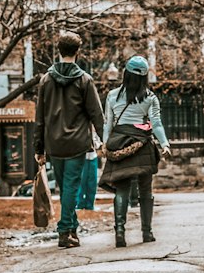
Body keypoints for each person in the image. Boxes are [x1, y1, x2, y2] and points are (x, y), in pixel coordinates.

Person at [34, 31, 104, 249]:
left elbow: (40, 117)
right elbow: (96, 114)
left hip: (54, 143)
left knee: (66, 188)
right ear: (78, 51)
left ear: (59, 50)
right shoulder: (85, 80)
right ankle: (65, 231)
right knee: (71, 188)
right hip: (77, 143)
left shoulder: (46, 80)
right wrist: (106, 140)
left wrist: (39, 148)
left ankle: (72, 227)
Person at [101, 56, 170, 248]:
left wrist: (105, 146)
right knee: (145, 190)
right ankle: (147, 233)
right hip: (142, 144)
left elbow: (108, 123)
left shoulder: (112, 95)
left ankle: (120, 232)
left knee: (122, 189)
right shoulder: (150, 98)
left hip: (120, 143)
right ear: (144, 77)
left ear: (126, 74)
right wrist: (165, 144)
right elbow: (156, 124)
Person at [76, 148, 98, 212]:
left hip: (93, 155)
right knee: (81, 181)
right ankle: (79, 203)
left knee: (92, 182)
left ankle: (90, 204)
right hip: (81, 155)